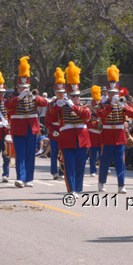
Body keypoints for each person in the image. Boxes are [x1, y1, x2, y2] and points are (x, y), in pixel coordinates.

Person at [5, 56, 48, 188]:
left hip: (31, 128)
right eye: (21, 87)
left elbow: (45, 102)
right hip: (18, 129)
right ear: (17, 87)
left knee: (30, 154)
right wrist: (19, 97)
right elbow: (7, 105)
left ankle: (28, 178)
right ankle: (20, 178)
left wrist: (35, 96)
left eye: (25, 87)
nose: (23, 89)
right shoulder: (13, 97)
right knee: (20, 154)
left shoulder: (33, 97)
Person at [52, 62, 91, 197]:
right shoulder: (61, 106)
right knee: (69, 166)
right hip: (67, 140)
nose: (75, 98)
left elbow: (87, 116)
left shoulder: (83, 106)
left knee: (80, 166)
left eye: (77, 96)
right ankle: (71, 190)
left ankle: (78, 188)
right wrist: (58, 103)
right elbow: (51, 114)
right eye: (73, 96)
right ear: (68, 95)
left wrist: (73, 106)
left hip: (82, 140)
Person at [97, 65, 133, 194]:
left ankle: (121, 185)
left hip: (119, 135)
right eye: (110, 93)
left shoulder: (122, 102)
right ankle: (102, 182)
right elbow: (100, 115)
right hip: (108, 134)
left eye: (115, 93)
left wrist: (123, 107)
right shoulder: (103, 103)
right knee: (105, 161)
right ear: (107, 93)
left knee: (120, 162)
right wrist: (111, 106)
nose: (113, 95)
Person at [44, 67, 66, 180]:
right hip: (55, 131)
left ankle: (62, 171)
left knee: (64, 152)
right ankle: (54, 172)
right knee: (54, 153)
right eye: (58, 92)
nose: (60, 94)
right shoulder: (51, 104)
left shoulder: (68, 103)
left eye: (62, 92)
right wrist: (52, 131)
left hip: (64, 130)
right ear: (55, 92)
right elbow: (48, 121)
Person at [87, 85, 103, 177]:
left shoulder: (102, 114)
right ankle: (93, 170)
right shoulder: (90, 115)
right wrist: (97, 122)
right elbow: (88, 124)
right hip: (93, 135)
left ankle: (103, 169)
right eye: (95, 107)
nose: (96, 109)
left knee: (102, 154)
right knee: (92, 155)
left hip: (101, 135)